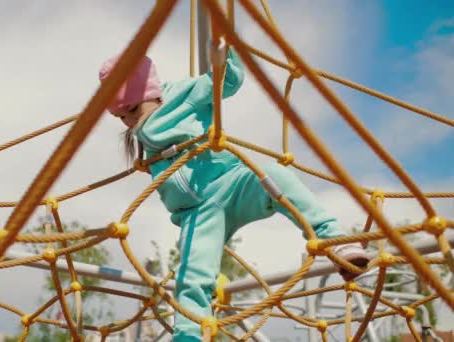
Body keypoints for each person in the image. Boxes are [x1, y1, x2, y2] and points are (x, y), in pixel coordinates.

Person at [99, 43, 370, 341]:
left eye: (134, 109)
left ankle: (334, 239)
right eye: (122, 117)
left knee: (277, 176)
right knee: (192, 273)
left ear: (152, 92)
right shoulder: (142, 136)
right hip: (197, 212)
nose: (130, 121)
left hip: (231, 183)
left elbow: (226, 81)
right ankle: (189, 333)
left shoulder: (183, 94)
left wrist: (225, 47)